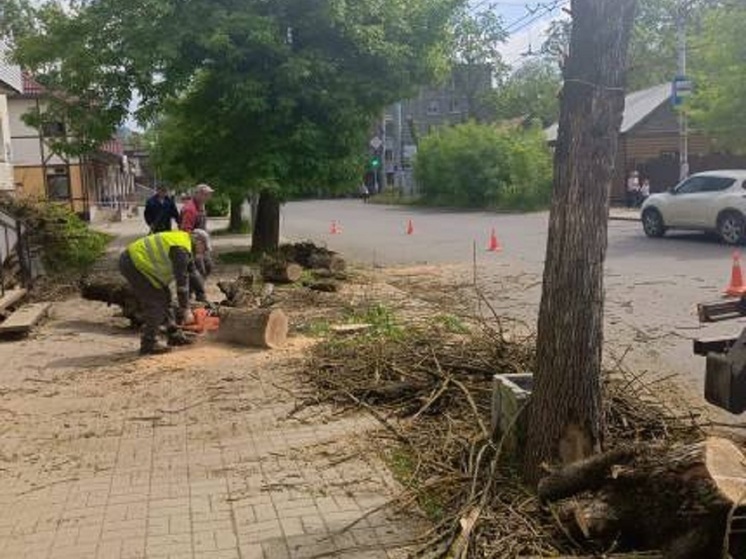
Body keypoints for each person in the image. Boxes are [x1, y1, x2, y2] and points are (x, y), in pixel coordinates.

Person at [118, 230, 196, 355]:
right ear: (200, 243)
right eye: (204, 250)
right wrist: (186, 309)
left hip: (143, 266)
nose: (203, 255)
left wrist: (201, 295)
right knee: (156, 303)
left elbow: (192, 274)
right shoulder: (181, 250)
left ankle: (174, 335)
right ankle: (149, 343)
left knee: (166, 296)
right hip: (134, 263)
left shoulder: (185, 244)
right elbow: (182, 283)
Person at [189, 229, 213, 302]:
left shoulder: (203, 236)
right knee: (197, 269)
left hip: (196, 249)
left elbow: (207, 250)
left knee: (208, 263)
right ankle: (192, 293)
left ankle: (196, 291)